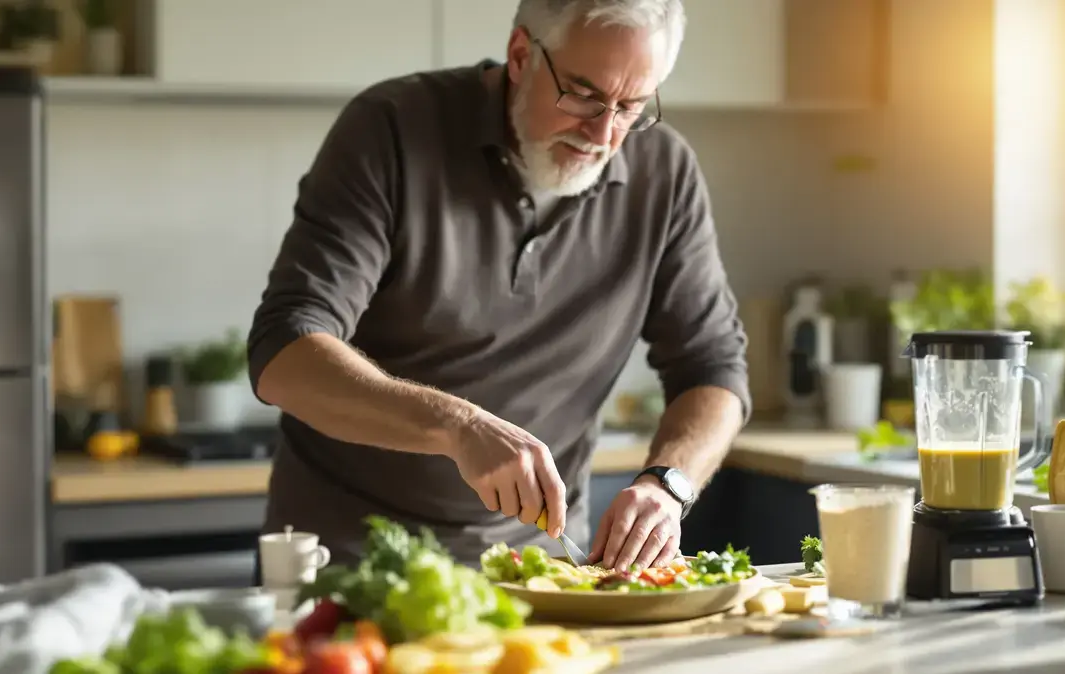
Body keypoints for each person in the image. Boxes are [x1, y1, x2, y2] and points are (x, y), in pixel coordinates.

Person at [247, 0, 750, 575]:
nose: (605, 132)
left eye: (631, 105)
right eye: (583, 95)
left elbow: (714, 367)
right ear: (520, 55)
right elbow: (284, 351)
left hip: (540, 567)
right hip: (349, 560)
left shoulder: (665, 174)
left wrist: (669, 484)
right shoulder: (390, 128)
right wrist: (458, 427)